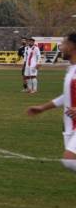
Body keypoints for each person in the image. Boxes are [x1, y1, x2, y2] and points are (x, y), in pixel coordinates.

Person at [25, 32, 76, 174]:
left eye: (64, 44)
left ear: (72, 46)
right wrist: (42, 108)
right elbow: (66, 96)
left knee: (69, 160)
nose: (61, 47)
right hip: (69, 125)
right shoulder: (71, 69)